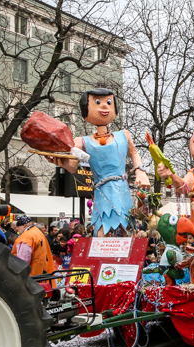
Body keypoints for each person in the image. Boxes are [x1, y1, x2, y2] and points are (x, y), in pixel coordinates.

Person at [46, 88, 150, 236]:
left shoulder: (123, 135)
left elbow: (134, 153)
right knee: (102, 230)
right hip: (102, 192)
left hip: (122, 190)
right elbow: (73, 166)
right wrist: (61, 163)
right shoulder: (82, 141)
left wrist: (140, 171)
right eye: (97, 102)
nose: (104, 106)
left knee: (128, 229)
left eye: (108, 102)